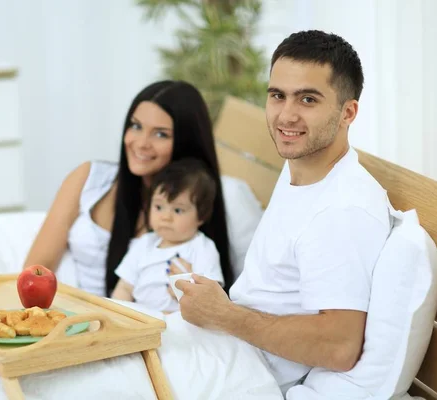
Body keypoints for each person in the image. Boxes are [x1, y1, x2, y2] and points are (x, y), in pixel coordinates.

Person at [173, 30, 392, 395]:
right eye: (277, 96)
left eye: (308, 99)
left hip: (242, 371)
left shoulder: (342, 210)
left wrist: (223, 314)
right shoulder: (302, 166)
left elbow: (339, 346)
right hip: (221, 348)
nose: (285, 116)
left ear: (347, 113)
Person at [23, 80, 234, 298]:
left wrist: (192, 294)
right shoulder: (89, 178)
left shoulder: (197, 209)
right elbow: (38, 266)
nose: (141, 143)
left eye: (161, 134)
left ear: (186, 142)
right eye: (136, 126)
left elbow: (214, 300)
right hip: (72, 312)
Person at [111, 158, 224, 313]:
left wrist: (188, 288)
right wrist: (116, 313)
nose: (166, 217)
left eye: (178, 210)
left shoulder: (202, 248)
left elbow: (212, 300)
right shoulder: (144, 244)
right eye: (159, 207)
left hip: (180, 322)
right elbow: (124, 287)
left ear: (201, 216)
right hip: (139, 318)